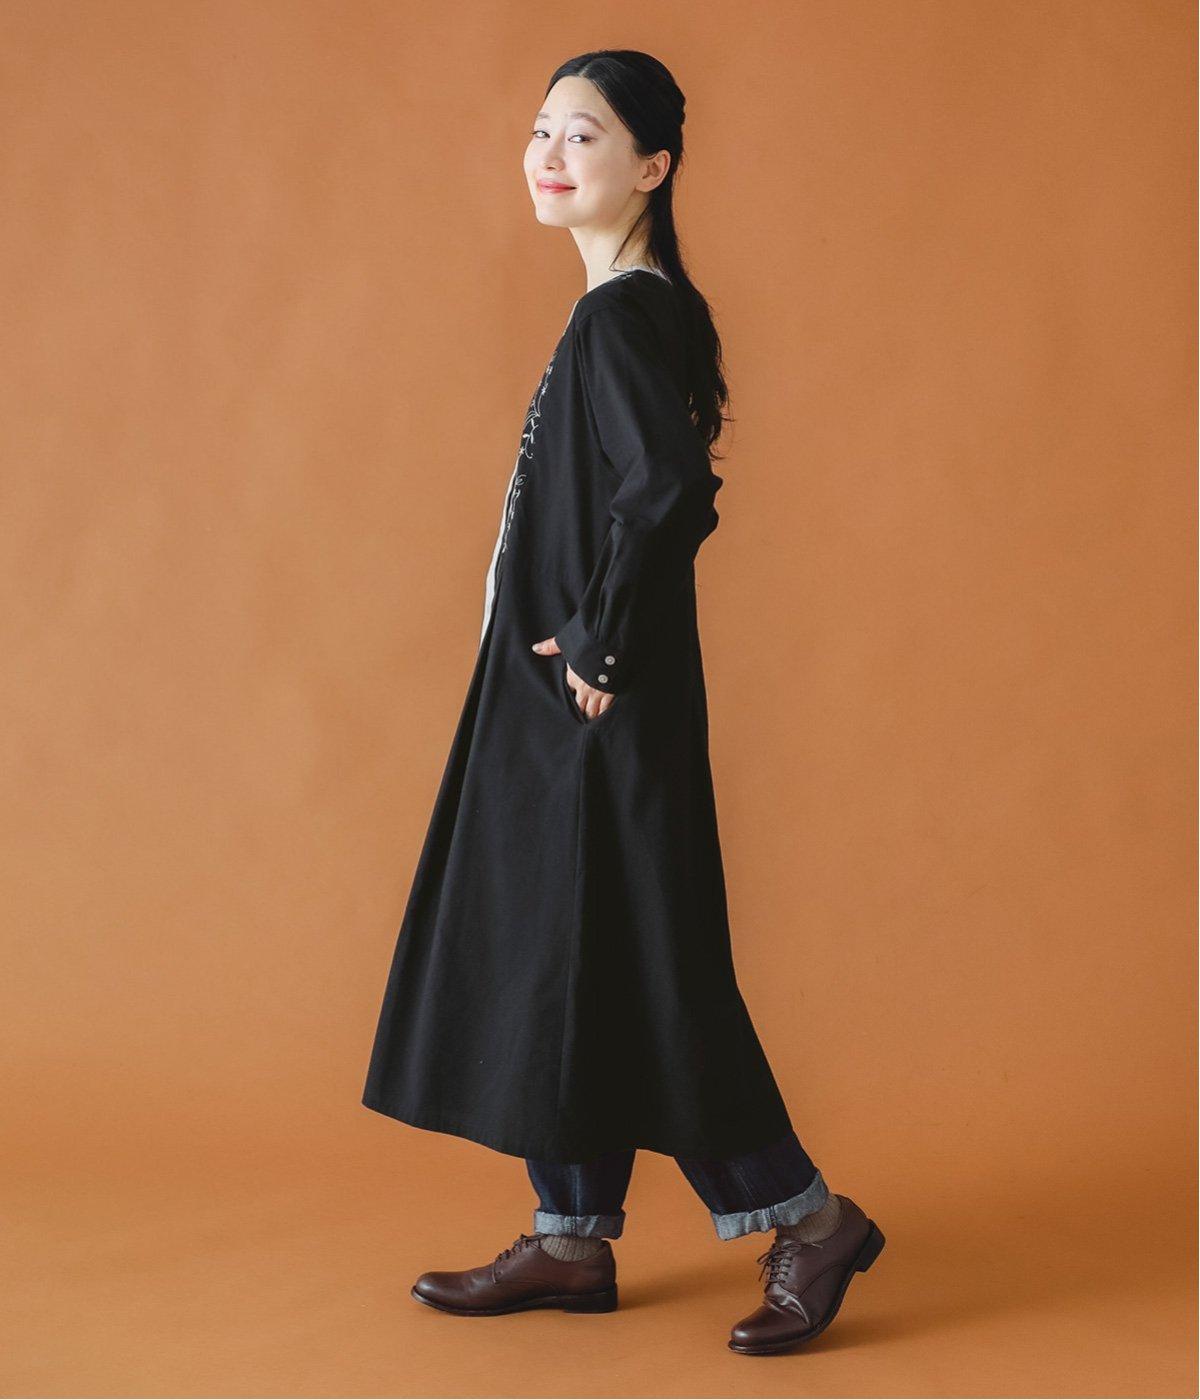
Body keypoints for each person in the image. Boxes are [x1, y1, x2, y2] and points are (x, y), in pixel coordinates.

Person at [362, 49, 885, 1354]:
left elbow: (669, 491)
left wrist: (597, 645)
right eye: (540, 130)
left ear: (652, 165)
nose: (549, 155)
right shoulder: (627, 310)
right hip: (557, 704)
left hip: (594, 708)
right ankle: (569, 1237)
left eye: (583, 136)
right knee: (564, 954)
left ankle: (812, 1221)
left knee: (647, 963)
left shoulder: (620, 318)